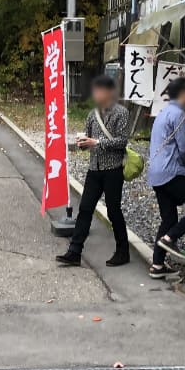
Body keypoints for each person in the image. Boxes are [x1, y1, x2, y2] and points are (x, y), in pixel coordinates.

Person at [56, 75, 131, 267]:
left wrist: (97, 143)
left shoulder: (121, 113)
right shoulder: (92, 114)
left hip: (113, 169)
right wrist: (82, 143)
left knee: (114, 211)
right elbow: (88, 138)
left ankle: (123, 251)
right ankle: (74, 251)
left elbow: (122, 141)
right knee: (85, 209)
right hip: (94, 168)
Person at [146, 77, 185, 280]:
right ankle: (170, 237)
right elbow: (184, 147)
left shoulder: (163, 112)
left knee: (169, 218)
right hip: (171, 171)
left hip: (156, 173)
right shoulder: (179, 114)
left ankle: (157, 264)